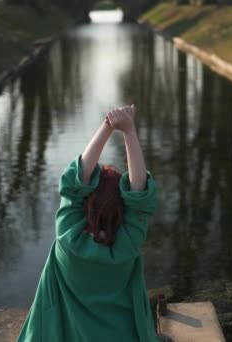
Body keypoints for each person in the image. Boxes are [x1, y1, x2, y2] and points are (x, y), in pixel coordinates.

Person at [17, 105, 161, 342]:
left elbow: (75, 182)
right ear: (122, 208)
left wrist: (108, 125)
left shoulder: (68, 235)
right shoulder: (128, 243)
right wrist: (129, 132)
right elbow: (140, 195)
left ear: (86, 203)